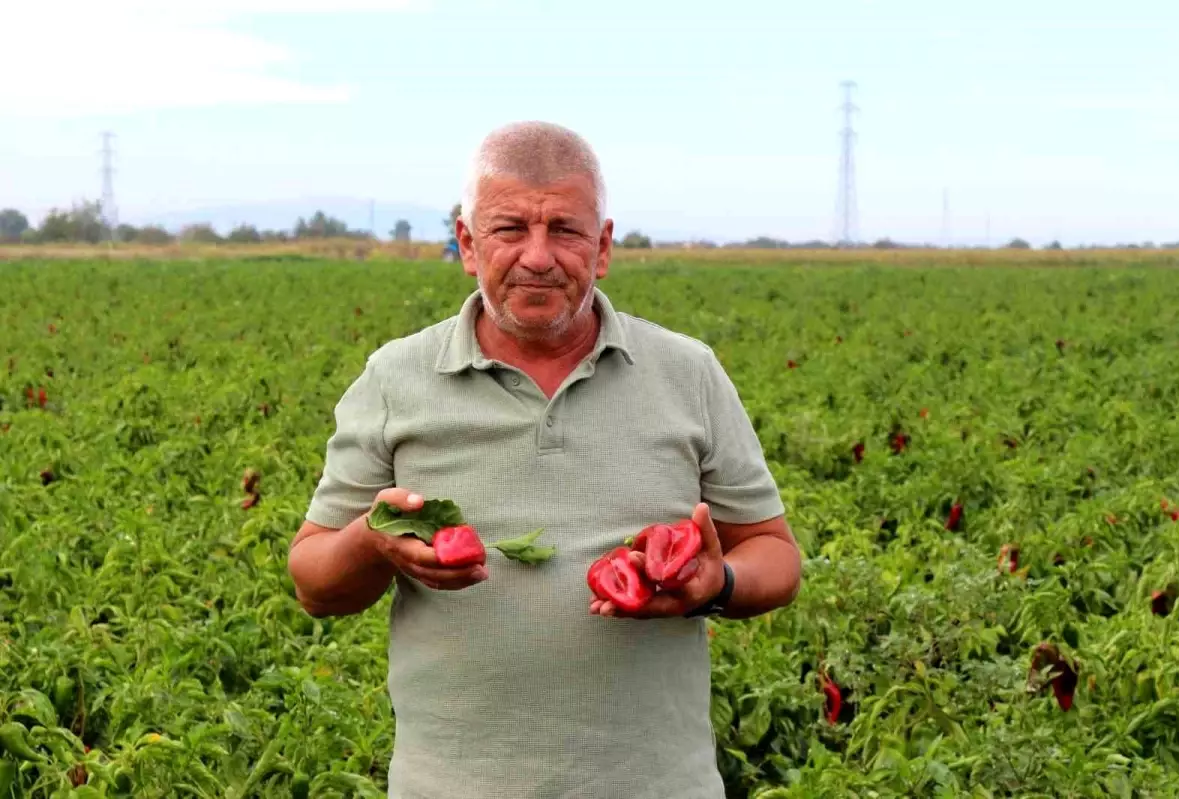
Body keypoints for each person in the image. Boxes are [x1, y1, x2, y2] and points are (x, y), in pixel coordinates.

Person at [287, 120, 803, 799]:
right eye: (509, 229)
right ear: (467, 244)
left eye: (565, 229)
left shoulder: (688, 373)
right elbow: (314, 583)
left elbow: (776, 555)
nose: (538, 256)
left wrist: (719, 582)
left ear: (603, 246)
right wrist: (375, 539)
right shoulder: (395, 378)